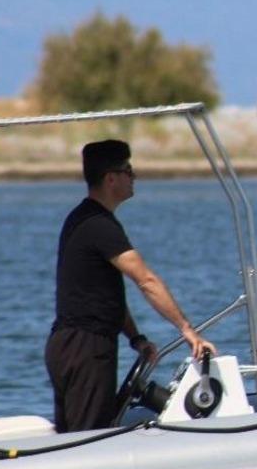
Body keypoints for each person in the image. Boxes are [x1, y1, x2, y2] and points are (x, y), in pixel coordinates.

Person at [45, 139, 216, 432]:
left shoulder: (86, 219)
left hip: (73, 343)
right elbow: (146, 280)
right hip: (85, 348)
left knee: (78, 432)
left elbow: (101, 294)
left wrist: (136, 338)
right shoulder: (98, 225)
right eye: (128, 170)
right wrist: (188, 331)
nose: (134, 177)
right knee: (86, 438)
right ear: (111, 178)